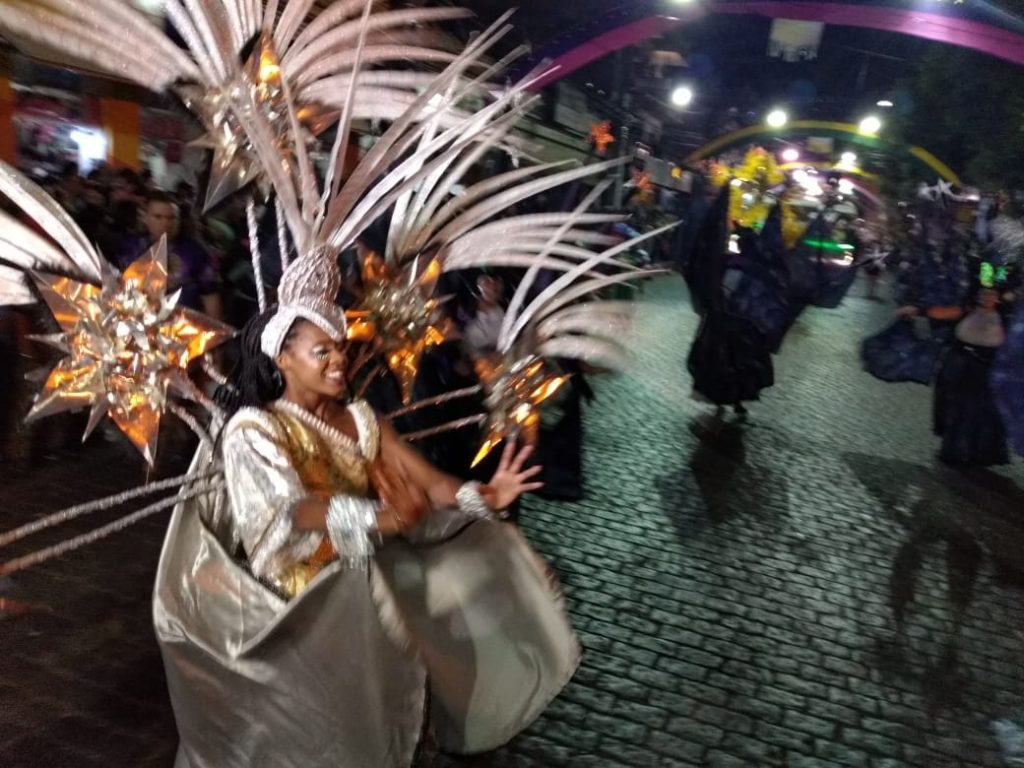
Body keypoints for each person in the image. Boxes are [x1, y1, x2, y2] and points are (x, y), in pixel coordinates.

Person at [154, 260, 579, 766]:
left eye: (341, 348)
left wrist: (485, 495)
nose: (339, 360)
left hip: (363, 578)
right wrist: (381, 518)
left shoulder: (361, 419)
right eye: (322, 351)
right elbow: (294, 510)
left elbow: (430, 483)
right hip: (299, 600)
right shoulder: (254, 430)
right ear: (282, 358)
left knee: (434, 621)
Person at [119, 191, 221, 317]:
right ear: (145, 218)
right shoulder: (131, 247)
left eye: (171, 218)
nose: (166, 224)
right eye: (158, 217)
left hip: (181, 322)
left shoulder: (196, 253)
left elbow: (211, 299)